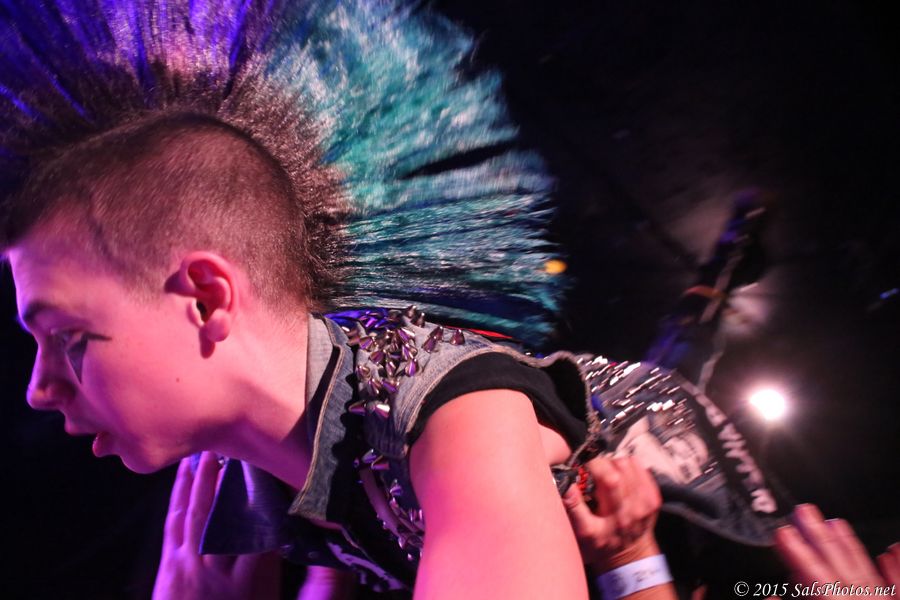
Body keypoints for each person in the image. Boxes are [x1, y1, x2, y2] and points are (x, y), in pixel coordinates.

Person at [0, 1, 784, 598]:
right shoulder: (259, 467)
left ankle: (721, 272)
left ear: (207, 300)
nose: (38, 387)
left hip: (770, 557)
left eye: (67, 335)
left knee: (687, 345)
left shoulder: (452, 411)